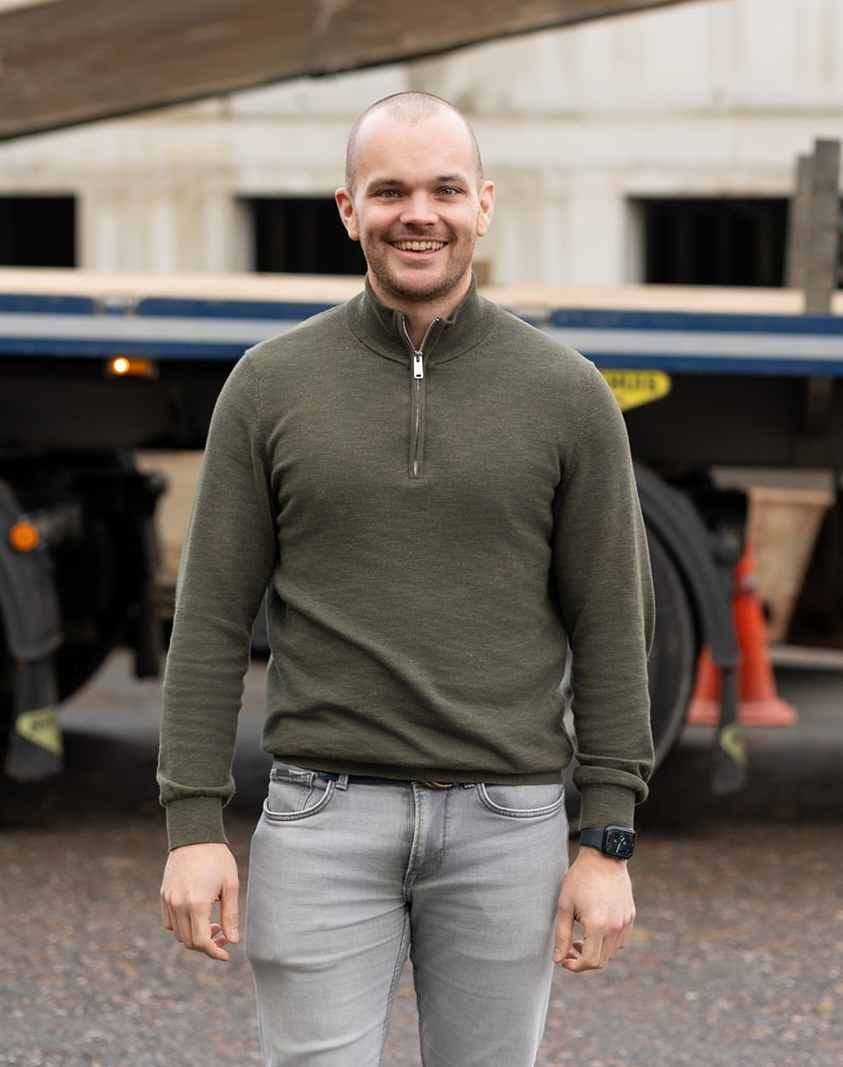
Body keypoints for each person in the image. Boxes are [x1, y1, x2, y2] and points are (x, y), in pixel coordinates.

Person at [158, 91, 655, 1067]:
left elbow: (612, 627)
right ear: (349, 209)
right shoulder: (269, 384)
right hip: (319, 818)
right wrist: (192, 823)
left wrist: (608, 839)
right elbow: (210, 616)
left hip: (508, 824)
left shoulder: (568, 393)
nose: (417, 213)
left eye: (444, 189)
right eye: (389, 191)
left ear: (483, 205)